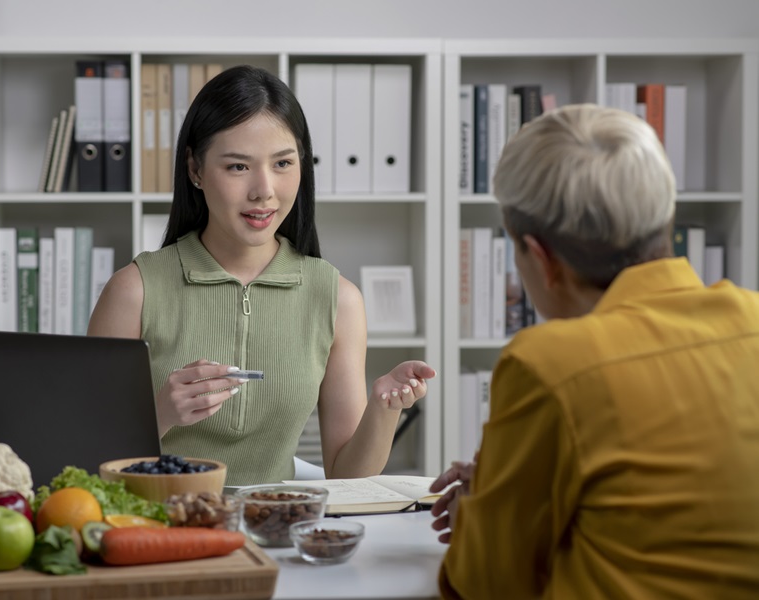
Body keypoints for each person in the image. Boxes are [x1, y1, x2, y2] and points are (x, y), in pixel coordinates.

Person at [431, 104, 759, 598]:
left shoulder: (548, 362)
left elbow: (486, 585)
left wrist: (476, 509)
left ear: (540, 259)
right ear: (664, 219)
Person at [88, 65, 435, 486]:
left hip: (277, 533)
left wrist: (384, 407)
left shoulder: (338, 299)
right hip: (160, 533)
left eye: (283, 163)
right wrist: (158, 415)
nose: (264, 190)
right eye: (238, 167)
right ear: (195, 169)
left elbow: (347, 475)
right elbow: (88, 463)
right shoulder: (134, 291)